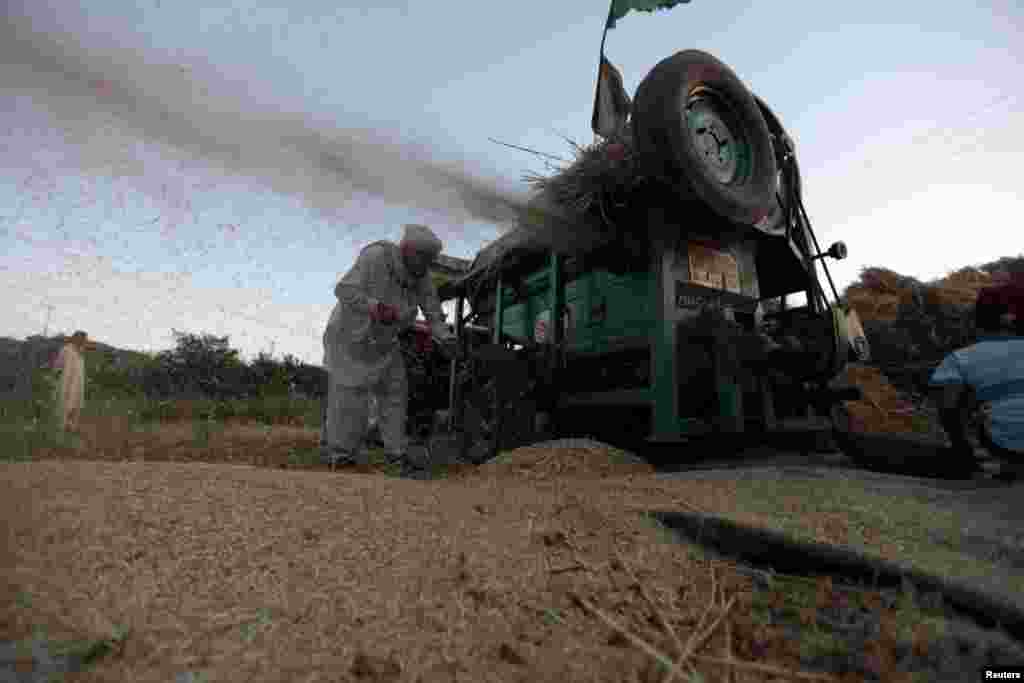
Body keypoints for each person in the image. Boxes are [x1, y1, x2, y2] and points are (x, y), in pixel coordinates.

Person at [321, 224, 455, 477]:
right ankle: (341, 457)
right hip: (349, 339)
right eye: (423, 258)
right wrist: (375, 307)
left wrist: (446, 338)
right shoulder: (376, 257)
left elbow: (433, 314)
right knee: (349, 400)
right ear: (406, 250)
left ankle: (395, 455)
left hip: (383, 344)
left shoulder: (422, 277)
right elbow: (344, 290)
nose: (427, 265)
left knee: (396, 393)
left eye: (430, 260)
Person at [929, 280, 1024, 479]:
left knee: (960, 402)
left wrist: (961, 444)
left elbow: (947, 405)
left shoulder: (959, 358)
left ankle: (980, 460)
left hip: (1003, 443)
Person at [51, 330, 91, 433]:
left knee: (75, 404)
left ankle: (71, 425)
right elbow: (58, 365)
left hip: (77, 383)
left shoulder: (81, 352)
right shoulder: (66, 349)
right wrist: (56, 375)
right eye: (83, 339)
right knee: (65, 403)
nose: (84, 341)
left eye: (84, 339)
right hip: (66, 381)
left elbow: (80, 369)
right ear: (76, 338)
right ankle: (61, 426)